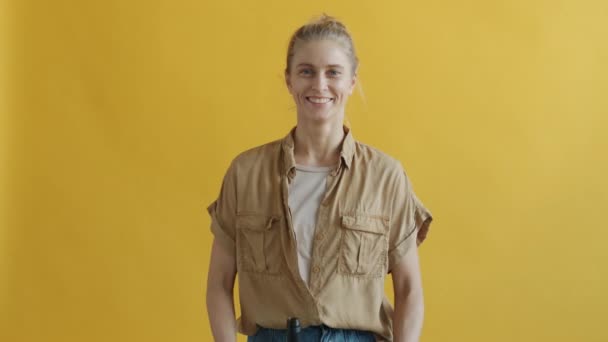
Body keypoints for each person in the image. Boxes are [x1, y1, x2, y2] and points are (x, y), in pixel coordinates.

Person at [206, 14, 433, 342]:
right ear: (289, 80)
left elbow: (409, 289)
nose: (319, 85)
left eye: (333, 73)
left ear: (352, 81)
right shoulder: (246, 173)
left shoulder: (386, 177)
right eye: (306, 72)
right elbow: (218, 283)